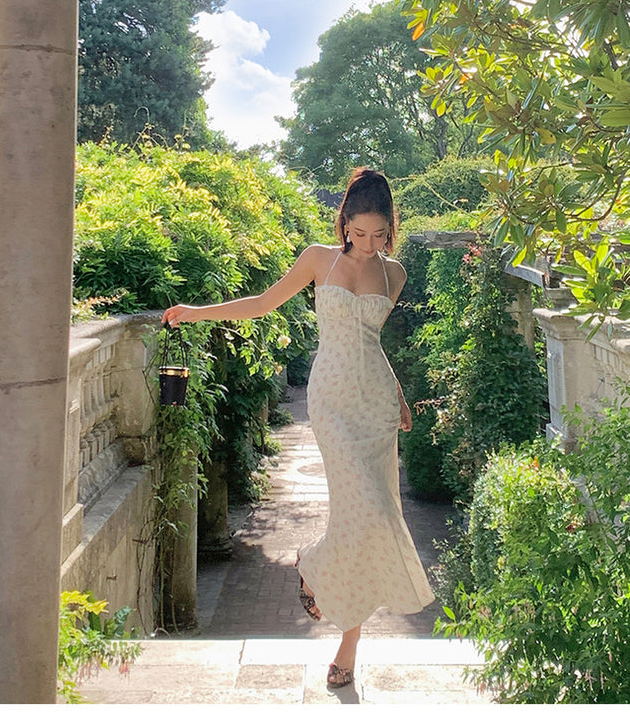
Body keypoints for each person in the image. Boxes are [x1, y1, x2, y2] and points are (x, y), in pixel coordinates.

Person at [162, 167, 436, 689]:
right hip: (331, 400)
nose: (369, 244)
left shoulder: (395, 273)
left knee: (375, 518)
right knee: (364, 510)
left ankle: (348, 646)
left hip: (376, 404)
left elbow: (372, 344)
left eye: (380, 235)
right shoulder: (317, 259)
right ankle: (312, 564)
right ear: (344, 222)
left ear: (390, 228)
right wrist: (196, 313)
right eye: (360, 232)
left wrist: (399, 394)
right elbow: (262, 304)